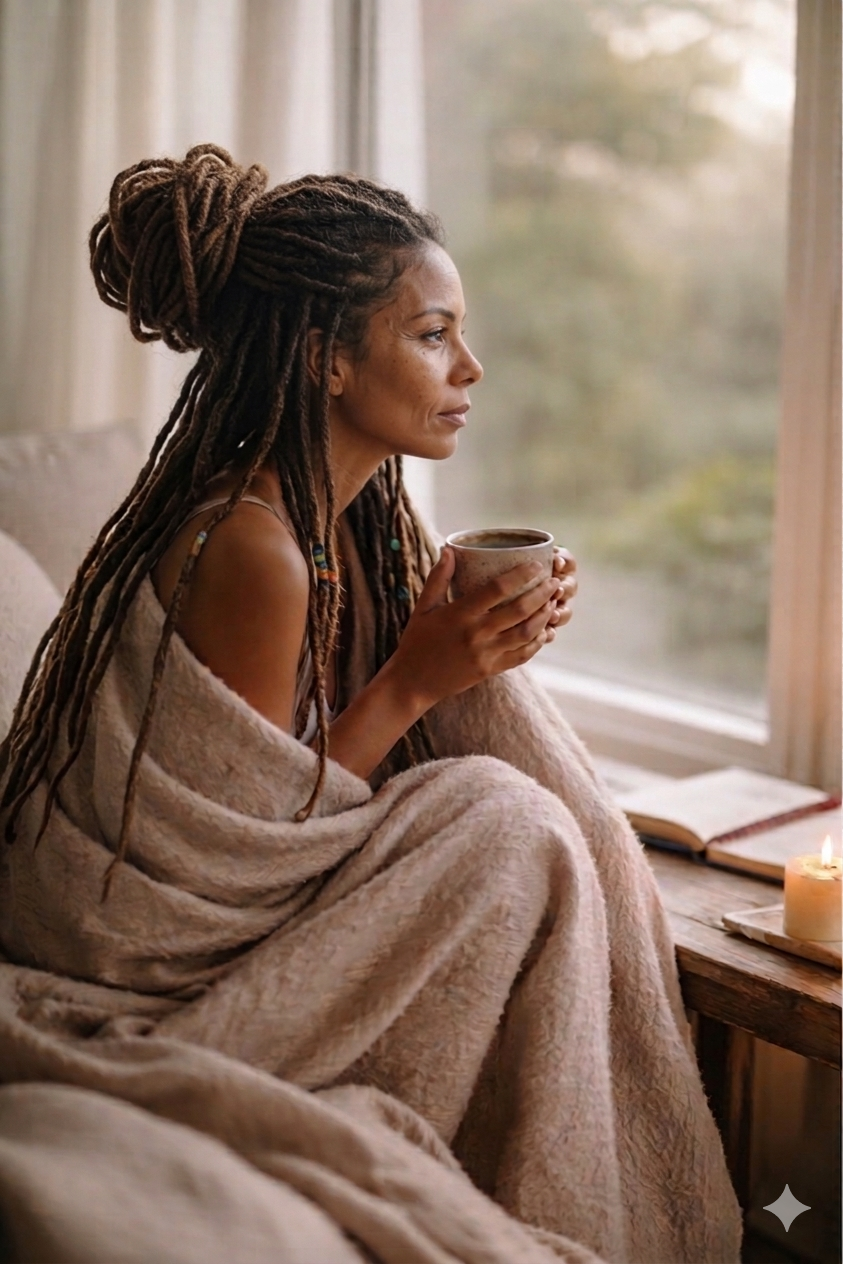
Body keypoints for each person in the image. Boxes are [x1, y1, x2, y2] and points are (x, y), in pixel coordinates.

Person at [0, 146, 740, 1264]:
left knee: (512, 815)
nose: (471, 367)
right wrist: (423, 677)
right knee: (509, 823)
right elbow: (248, 855)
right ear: (326, 361)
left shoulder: (353, 522)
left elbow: (324, 760)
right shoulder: (253, 546)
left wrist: (484, 650)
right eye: (433, 334)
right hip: (150, 961)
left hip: (243, 907)